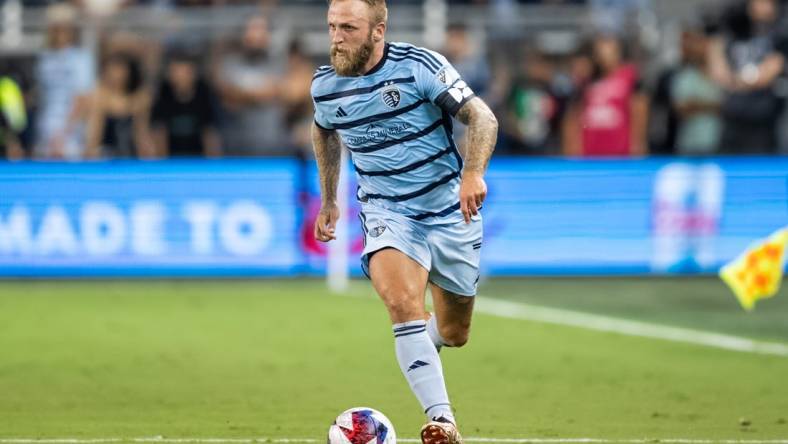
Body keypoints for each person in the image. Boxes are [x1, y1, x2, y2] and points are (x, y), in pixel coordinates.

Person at [310, 1, 498, 443]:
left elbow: (482, 117)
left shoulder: (419, 67)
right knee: (401, 303)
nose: (337, 37)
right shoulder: (324, 86)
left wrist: (472, 173)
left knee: (455, 332)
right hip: (386, 212)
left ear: (378, 31)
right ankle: (443, 421)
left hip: (450, 211)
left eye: (349, 28)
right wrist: (328, 199)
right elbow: (323, 129)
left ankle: (422, 342)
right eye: (333, 26)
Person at [708, 0, 788, 154]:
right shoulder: (733, 27)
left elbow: (768, 72)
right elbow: (717, 65)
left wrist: (736, 81)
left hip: (763, 120)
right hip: (731, 118)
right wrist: (727, 75)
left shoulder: (780, 32)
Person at [212, 14, 288, 156]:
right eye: (252, 30)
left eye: (261, 30)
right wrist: (263, 94)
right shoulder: (231, 63)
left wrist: (244, 94)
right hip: (236, 149)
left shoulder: (278, 62)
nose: (256, 36)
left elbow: (285, 91)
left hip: (273, 148)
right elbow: (227, 98)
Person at [561, 34, 649, 157]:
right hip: (590, 154)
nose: (604, 53)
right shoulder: (587, 80)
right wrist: (573, 149)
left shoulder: (629, 76)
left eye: (609, 47)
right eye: (600, 48)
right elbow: (574, 116)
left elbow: (639, 109)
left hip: (621, 154)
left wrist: (638, 145)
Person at [33, 2, 95, 160]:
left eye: (63, 28)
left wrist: (63, 135)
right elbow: (42, 98)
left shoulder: (81, 58)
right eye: (55, 28)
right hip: (44, 130)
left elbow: (82, 100)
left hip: (71, 134)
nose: (59, 33)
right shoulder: (44, 58)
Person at [151, 51, 222, 157]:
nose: (180, 76)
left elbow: (209, 133)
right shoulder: (162, 95)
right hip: (171, 159)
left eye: (185, 72)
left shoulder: (204, 95)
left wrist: (212, 163)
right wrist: (162, 164)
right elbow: (159, 132)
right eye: (175, 72)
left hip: (198, 158)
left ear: (193, 74)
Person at [85, 53, 154, 158]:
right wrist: (91, 151)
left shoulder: (140, 97)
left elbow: (141, 132)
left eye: (120, 70)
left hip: (131, 156)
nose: (116, 75)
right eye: (112, 71)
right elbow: (95, 131)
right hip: (106, 156)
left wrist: (147, 151)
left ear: (129, 72)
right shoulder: (99, 96)